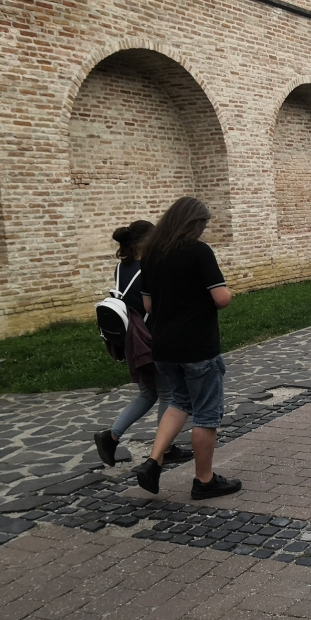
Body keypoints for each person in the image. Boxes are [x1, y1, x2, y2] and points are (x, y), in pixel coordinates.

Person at [134, 196, 241, 501]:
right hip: (197, 346)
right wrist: (227, 292)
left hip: (164, 346)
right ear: (193, 224)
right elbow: (221, 298)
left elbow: (148, 305)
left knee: (179, 401)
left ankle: (153, 461)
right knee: (206, 412)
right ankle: (204, 481)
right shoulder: (199, 251)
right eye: (202, 225)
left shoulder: (151, 254)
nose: (203, 230)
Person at [93, 221, 193, 468]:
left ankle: (111, 436)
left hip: (132, 339)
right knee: (169, 395)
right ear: (146, 241)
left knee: (148, 393)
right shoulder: (149, 268)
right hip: (151, 339)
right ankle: (165, 448)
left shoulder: (121, 267)